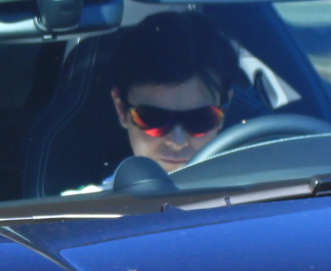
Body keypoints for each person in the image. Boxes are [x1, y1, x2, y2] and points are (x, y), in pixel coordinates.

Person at [102, 11, 242, 177]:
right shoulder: (90, 201)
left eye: (200, 119)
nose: (178, 142)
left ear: (224, 111)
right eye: (154, 119)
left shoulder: (263, 192)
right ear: (121, 110)